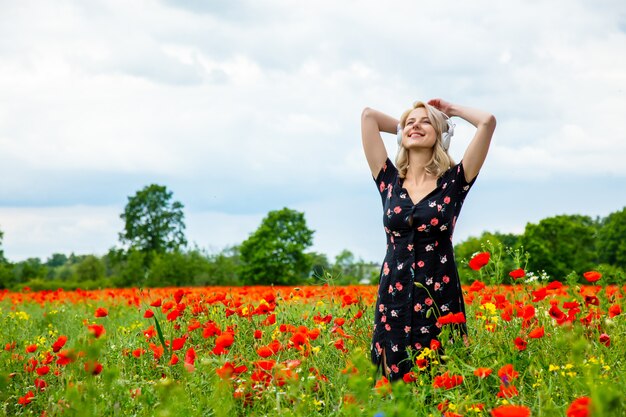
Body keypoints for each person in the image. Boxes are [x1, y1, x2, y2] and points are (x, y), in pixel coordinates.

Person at [361, 98, 496, 381]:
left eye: (425, 122)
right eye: (409, 123)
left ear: (441, 134)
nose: (415, 126)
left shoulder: (455, 181)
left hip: (440, 303)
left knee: (440, 389)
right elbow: (369, 116)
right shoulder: (387, 179)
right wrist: (405, 125)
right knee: (392, 392)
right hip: (393, 304)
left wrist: (451, 112)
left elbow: (487, 122)